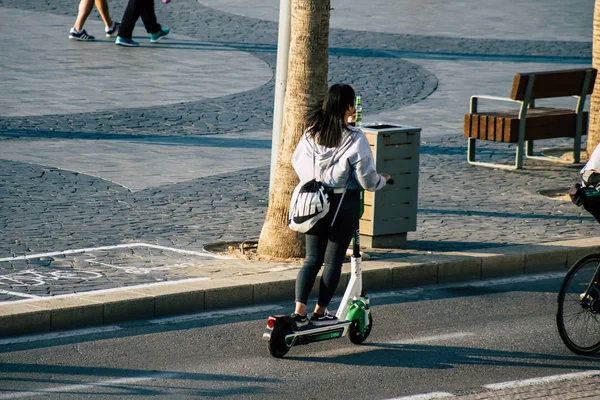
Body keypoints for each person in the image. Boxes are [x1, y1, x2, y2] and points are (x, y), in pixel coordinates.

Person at [290, 84, 391, 327]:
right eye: (352, 103)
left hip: (313, 202)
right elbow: (367, 179)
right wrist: (383, 180)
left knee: (311, 259)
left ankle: (299, 311)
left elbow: (297, 161)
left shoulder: (311, 133)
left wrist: (316, 181)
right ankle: (320, 311)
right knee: (333, 261)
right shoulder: (355, 137)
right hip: (341, 204)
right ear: (347, 106)